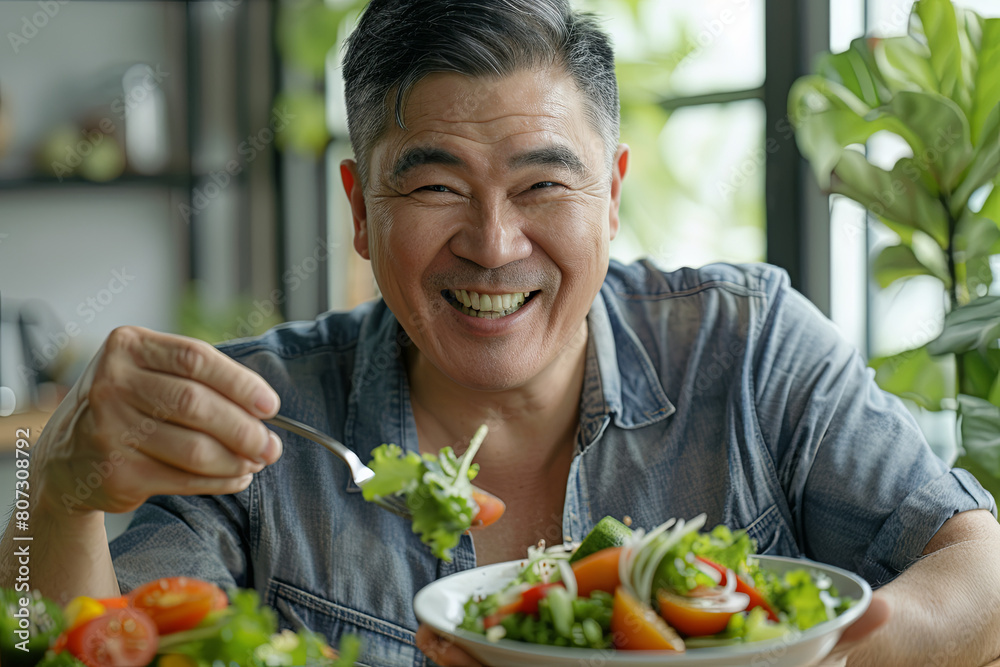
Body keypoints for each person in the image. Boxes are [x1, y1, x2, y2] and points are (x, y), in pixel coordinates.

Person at [3, 0, 999, 665]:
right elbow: (85, 642)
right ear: (359, 209)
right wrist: (53, 493)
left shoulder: (748, 344)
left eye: (542, 184)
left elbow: (977, 571)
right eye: (434, 185)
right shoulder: (261, 417)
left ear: (610, 196)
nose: (491, 243)